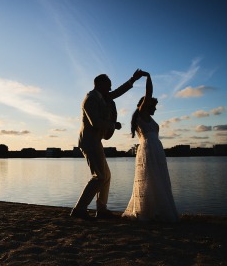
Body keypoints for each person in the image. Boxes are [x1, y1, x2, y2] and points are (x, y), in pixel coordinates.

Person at [71, 69, 144, 220]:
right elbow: (95, 122)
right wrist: (112, 125)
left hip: (95, 141)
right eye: (108, 86)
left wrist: (133, 79)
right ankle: (79, 209)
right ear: (100, 84)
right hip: (89, 142)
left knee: (106, 176)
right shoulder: (91, 98)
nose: (110, 89)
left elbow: (118, 92)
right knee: (99, 176)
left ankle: (101, 209)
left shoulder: (102, 97)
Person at [122, 71, 179, 222]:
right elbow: (149, 93)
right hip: (148, 149)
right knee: (149, 178)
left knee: (158, 178)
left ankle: (156, 210)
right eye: (153, 106)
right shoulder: (142, 115)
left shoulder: (149, 118)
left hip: (156, 149)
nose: (155, 109)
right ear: (146, 105)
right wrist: (148, 77)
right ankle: (146, 211)